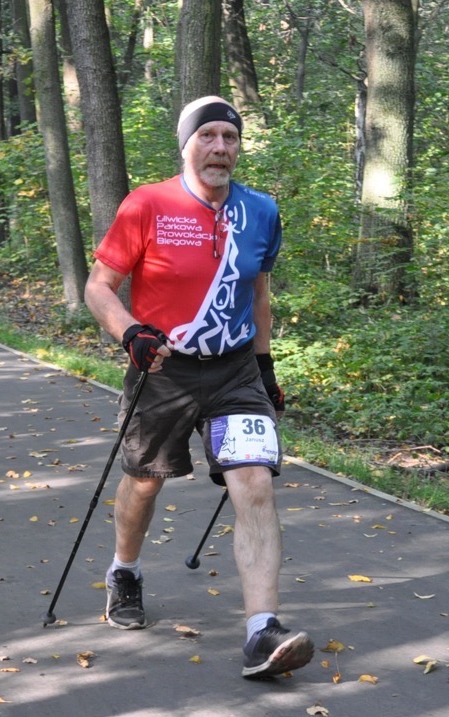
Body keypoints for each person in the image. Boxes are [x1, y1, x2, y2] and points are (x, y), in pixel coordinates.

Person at [83, 96, 313, 679]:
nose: (219, 147)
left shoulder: (260, 211)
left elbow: (258, 294)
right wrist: (129, 332)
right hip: (164, 368)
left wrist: (265, 367)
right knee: (145, 481)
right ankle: (125, 571)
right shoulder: (148, 204)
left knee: (254, 482)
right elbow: (99, 286)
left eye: (229, 138)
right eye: (207, 136)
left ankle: (262, 631)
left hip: (235, 372)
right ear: (186, 144)